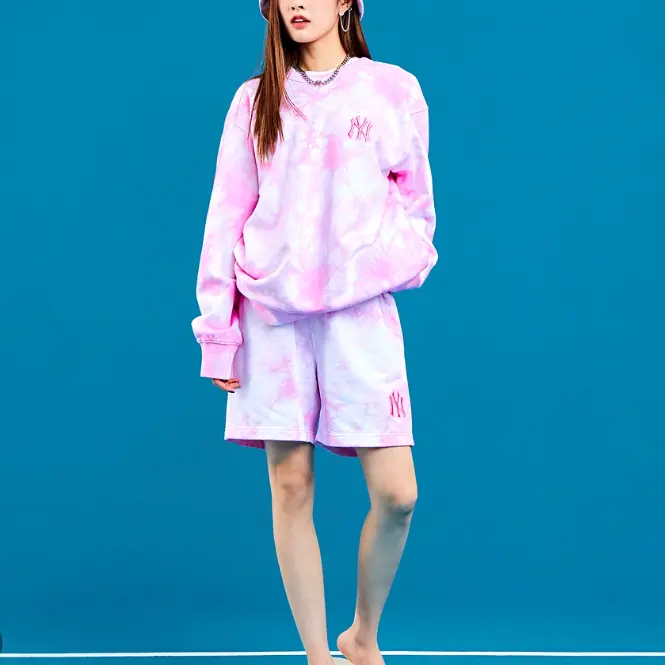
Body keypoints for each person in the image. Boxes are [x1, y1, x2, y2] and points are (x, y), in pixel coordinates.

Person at [191, 1, 437, 664]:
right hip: (271, 316)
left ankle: (361, 634)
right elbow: (225, 216)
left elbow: (418, 215)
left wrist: (365, 265)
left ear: (347, 2)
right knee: (291, 485)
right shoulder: (254, 101)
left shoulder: (392, 90)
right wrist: (219, 332)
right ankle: (318, 658)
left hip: (357, 313)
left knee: (398, 494)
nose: (298, 3)